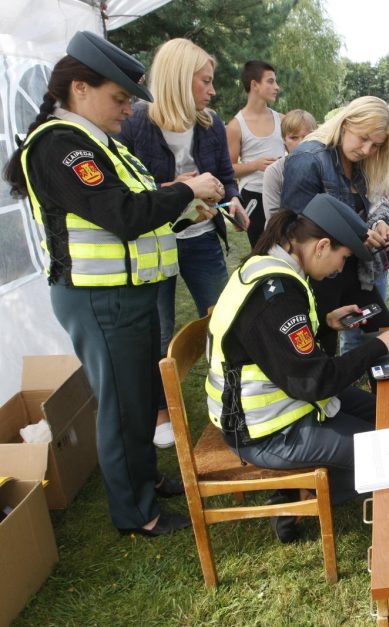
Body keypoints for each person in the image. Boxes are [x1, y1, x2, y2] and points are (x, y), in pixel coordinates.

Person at [5, 31, 224, 536]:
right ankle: (136, 514)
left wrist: (186, 205)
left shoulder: (97, 142)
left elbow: (140, 212)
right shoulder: (61, 145)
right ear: (80, 89)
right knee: (122, 407)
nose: (127, 110)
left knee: (142, 396)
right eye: (119, 98)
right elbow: (122, 215)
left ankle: (144, 484)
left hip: (127, 292)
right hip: (99, 298)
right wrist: (187, 187)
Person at [205, 195, 389, 542]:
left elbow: (288, 355)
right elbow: (316, 381)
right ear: (323, 246)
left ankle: (304, 490)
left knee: (388, 416)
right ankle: (299, 498)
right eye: (343, 259)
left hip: (286, 402)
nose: (340, 269)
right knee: (383, 452)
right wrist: (382, 344)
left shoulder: (275, 268)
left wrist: (327, 325)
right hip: (266, 430)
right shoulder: (277, 294)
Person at [118, 38, 247, 449]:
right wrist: (185, 187)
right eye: (205, 82)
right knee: (161, 332)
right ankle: (161, 411)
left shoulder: (210, 123)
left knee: (226, 320)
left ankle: (236, 396)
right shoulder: (135, 124)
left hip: (202, 240)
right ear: (177, 79)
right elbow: (127, 191)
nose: (212, 91)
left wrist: (233, 202)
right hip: (155, 246)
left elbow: (227, 180)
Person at [281, 96, 389, 355]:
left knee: (388, 337)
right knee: (322, 349)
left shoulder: (357, 163)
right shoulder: (308, 158)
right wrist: (354, 235)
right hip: (319, 277)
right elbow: (294, 230)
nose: (367, 150)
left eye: (376, 145)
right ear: (345, 124)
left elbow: (356, 214)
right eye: (363, 138)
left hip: (351, 272)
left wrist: (376, 225)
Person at [226, 60, 285, 248]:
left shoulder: (282, 119)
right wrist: (255, 165)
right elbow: (229, 170)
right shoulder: (236, 125)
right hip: (254, 196)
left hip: (282, 193)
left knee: (286, 249)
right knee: (262, 251)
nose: (277, 87)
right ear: (254, 85)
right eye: (270, 81)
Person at [261, 109, 317, 219]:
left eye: (307, 136)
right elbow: (273, 217)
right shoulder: (274, 172)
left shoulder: (327, 166)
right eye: (294, 137)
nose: (301, 143)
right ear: (284, 140)